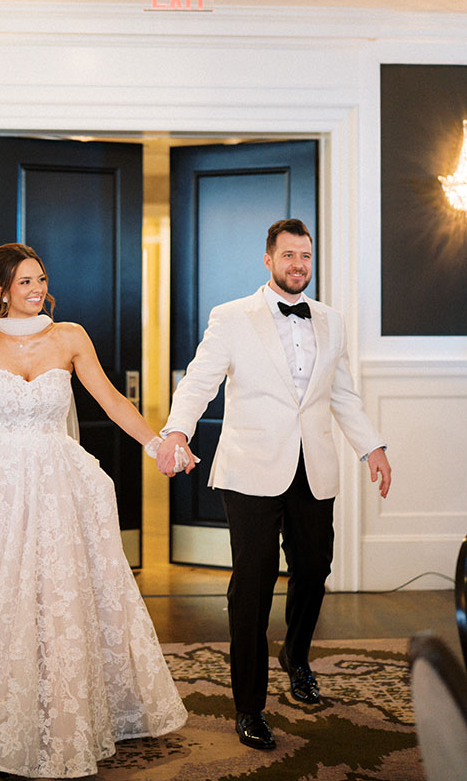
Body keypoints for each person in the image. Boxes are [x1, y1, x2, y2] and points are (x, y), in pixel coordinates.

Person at [0, 196, 187, 778]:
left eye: (41, 278)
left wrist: (158, 445)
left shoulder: (70, 336)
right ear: (0, 288)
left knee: (61, 599)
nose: (37, 287)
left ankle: (66, 711)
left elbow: (110, 398)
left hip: (58, 483)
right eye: (25, 280)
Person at [156, 218, 391, 752]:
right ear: (269, 260)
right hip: (251, 469)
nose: (298, 265)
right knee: (254, 584)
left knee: (314, 569)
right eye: (288, 256)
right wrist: (176, 430)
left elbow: (343, 395)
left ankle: (296, 655)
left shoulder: (331, 320)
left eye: (305, 256)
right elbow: (199, 379)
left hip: (315, 467)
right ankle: (250, 706)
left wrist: (371, 446)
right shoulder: (232, 317)